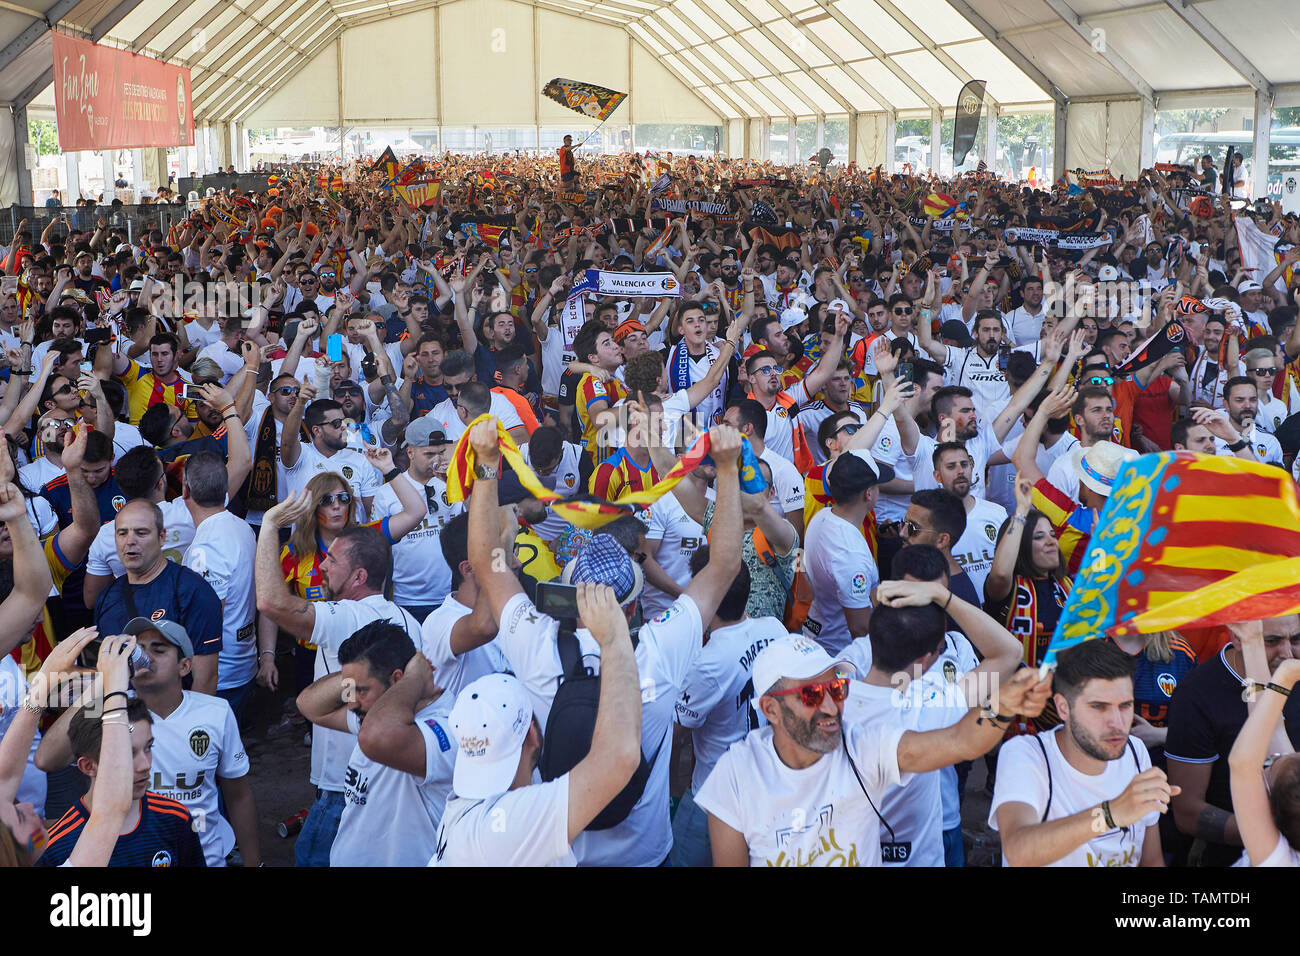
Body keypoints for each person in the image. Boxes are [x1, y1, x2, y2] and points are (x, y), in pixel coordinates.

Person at [456, 416, 743, 866]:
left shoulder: (536, 644)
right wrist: (727, 468)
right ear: (632, 606)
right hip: (648, 856)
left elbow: (487, 564)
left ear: (570, 594)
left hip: (563, 853)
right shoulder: (661, 650)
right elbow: (724, 564)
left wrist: (488, 466)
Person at [696, 632, 1051, 866]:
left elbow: (960, 742)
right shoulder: (736, 774)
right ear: (770, 709)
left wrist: (1001, 705)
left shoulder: (863, 746)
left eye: (836, 689)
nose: (832, 708)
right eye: (812, 695)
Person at [256, 497, 421, 868]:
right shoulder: (408, 620)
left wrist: (269, 526)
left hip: (342, 784)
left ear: (359, 577)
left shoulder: (346, 614)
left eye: (332, 560)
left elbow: (270, 602)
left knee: (312, 857)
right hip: (387, 773)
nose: (323, 566)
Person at [433, 583, 641, 866]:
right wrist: (614, 638)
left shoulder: (458, 806)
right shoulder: (511, 822)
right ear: (532, 733)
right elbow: (619, 758)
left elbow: (492, 571)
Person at [846, 577, 1024, 867]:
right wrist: (943, 595)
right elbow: (1009, 652)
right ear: (927, 659)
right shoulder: (927, 708)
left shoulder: (828, 699)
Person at [991, 639, 1176, 867]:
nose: (1117, 723)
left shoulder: (1135, 751)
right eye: (1099, 707)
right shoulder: (1028, 755)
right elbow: (1017, 851)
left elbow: (1152, 861)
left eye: (1125, 705)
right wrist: (1110, 815)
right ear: (1063, 708)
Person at [296, 623, 455, 867]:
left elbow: (376, 738)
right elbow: (309, 705)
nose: (350, 703)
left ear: (397, 679)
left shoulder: (444, 727)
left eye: (360, 690)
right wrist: (353, 676)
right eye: (349, 689)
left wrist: (413, 678)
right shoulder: (375, 711)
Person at [671, 550, 786, 867]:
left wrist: (670, 792)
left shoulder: (707, 663)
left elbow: (675, 735)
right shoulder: (776, 629)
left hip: (714, 798)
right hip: (770, 788)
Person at [1166, 617, 1300, 866]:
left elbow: (1248, 759)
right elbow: (1187, 812)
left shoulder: (1276, 853)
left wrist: (1261, 828)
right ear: (1234, 637)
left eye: (1296, 639)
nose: (1288, 653)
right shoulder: (1196, 693)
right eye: (1271, 641)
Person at [93, 498, 223, 695]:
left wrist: (182, 726)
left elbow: (206, 678)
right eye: (122, 533)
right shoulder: (106, 599)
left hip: (174, 717)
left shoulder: (193, 591)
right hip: (123, 719)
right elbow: (104, 675)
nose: (130, 541)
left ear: (162, 537)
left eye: (141, 532)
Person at [181, 451, 258, 720]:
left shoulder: (206, 548)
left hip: (220, 677)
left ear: (185, 491)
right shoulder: (242, 527)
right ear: (226, 490)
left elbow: (207, 620)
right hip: (242, 664)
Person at [802, 450, 893, 655]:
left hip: (818, 632)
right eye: (877, 485)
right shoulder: (851, 555)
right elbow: (860, 628)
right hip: (840, 652)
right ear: (868, 493)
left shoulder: (824, 515)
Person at [1228, 656, 1300, 866]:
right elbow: (1271, 725)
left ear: (1268, 810)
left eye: (1268, 766)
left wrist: (1286, 675)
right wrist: (1252, 642)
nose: (1272, 755)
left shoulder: (1278, 860)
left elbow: (1243, 765)